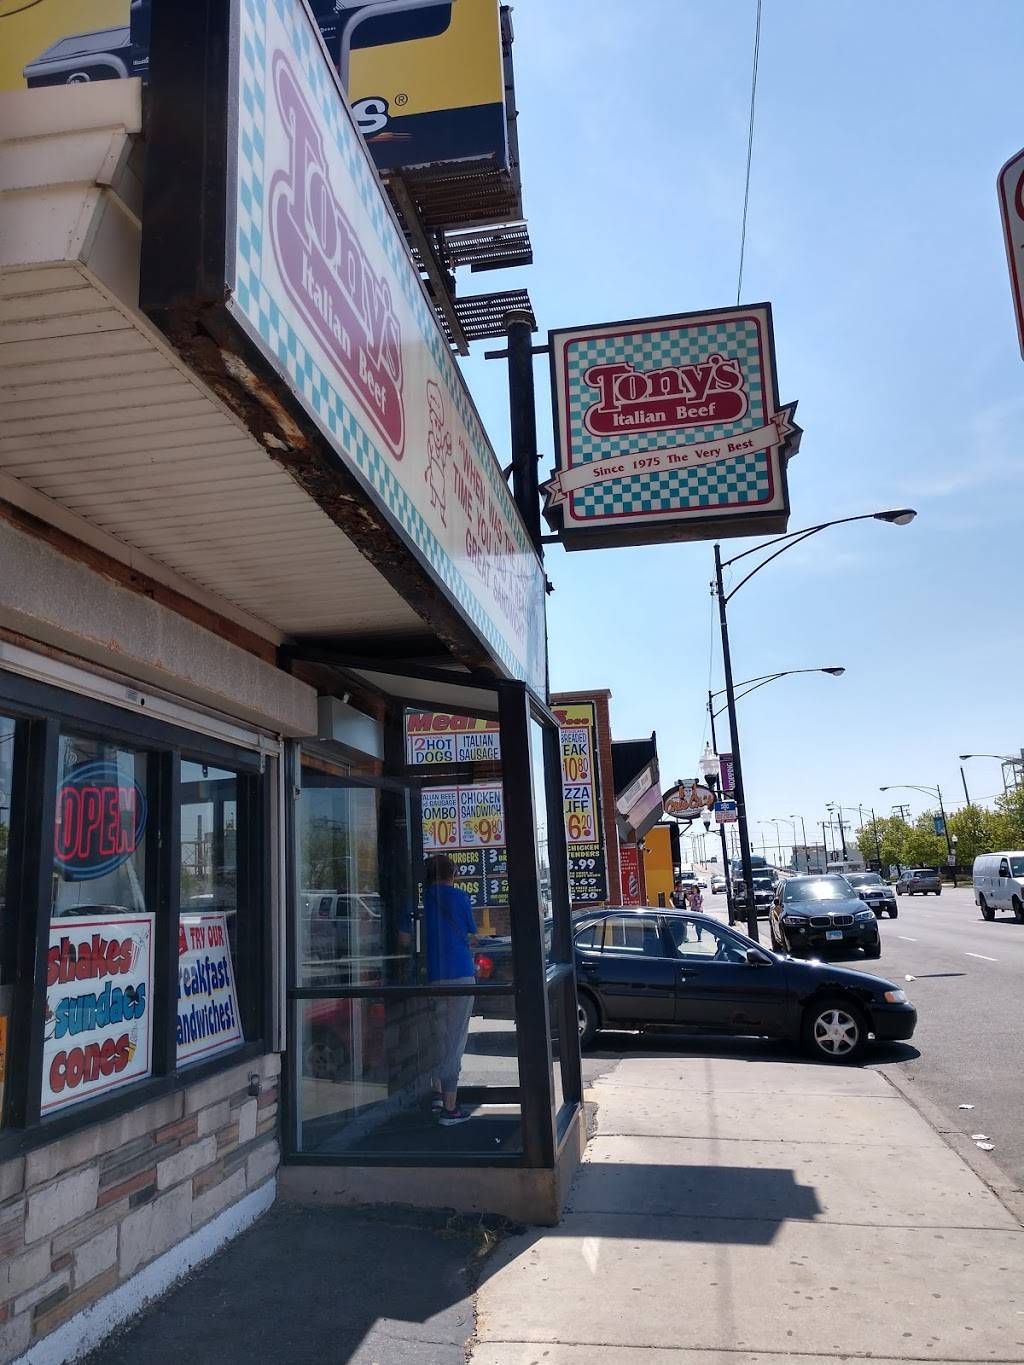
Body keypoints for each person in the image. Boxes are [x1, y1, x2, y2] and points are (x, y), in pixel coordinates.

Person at [423, 853, 478, 1126]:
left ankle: (435, 1093)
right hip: (460, 973)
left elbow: (404, 936)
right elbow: (471, 933)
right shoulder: (459, 898)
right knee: (455, 1039)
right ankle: (450, 1107)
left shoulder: (421, 899)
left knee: (437, 1035)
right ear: (452, 874)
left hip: (432, 976)